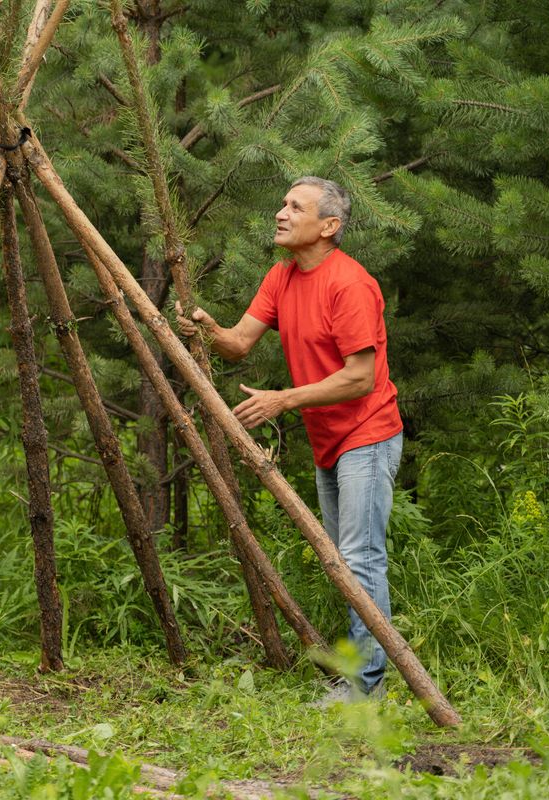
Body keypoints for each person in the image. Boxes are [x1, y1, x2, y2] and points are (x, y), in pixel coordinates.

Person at [177, 176, 403, 703]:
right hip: (329, 438)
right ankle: (359, 681)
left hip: (367, 435)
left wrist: (283, 399)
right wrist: (207, 328)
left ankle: (364, 691)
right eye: (282, 203)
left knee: (359, 558)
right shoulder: (282, 277)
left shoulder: (350, 284)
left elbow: (360, 378)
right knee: (343, 561)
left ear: (329, 226)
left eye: (295, 206)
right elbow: (237, 344)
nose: (280, 213)